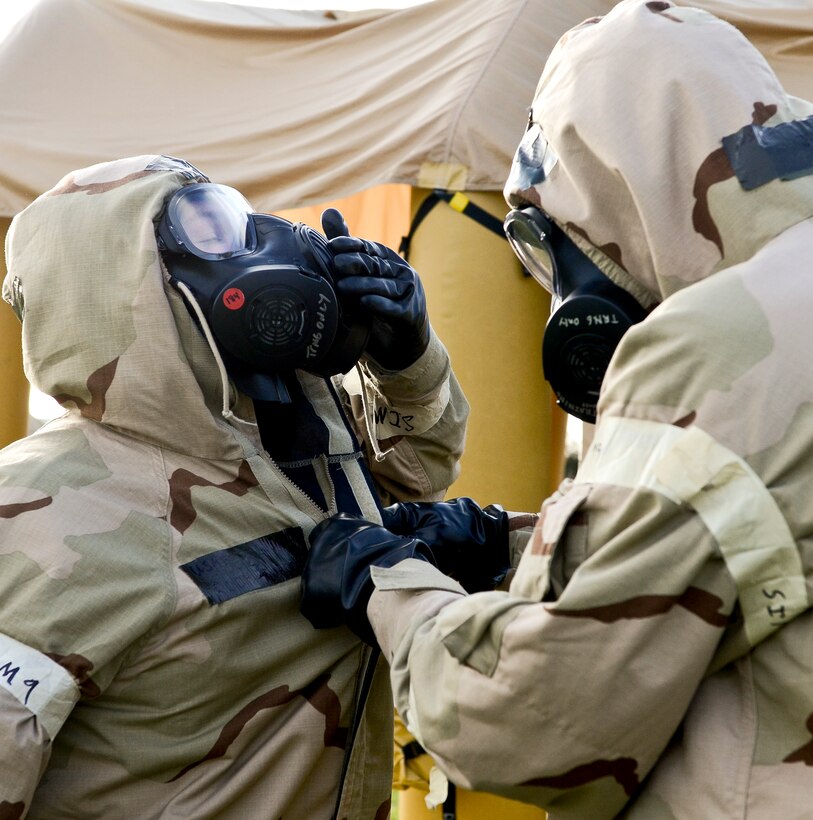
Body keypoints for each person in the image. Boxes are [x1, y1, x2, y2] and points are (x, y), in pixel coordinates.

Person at [300, 1, 813, 816]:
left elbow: (532, 721)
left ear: (614, 190)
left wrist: (386, 586)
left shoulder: (715, 342)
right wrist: (511, 545)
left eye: (547, 241)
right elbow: (747, 534)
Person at [0, 153, 470, 819]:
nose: (270, 243)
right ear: (126, 288)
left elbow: (416, 472)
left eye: (240, 219)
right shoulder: (38, 510)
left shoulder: (282, 430)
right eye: (213, 230)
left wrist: (405, 362)